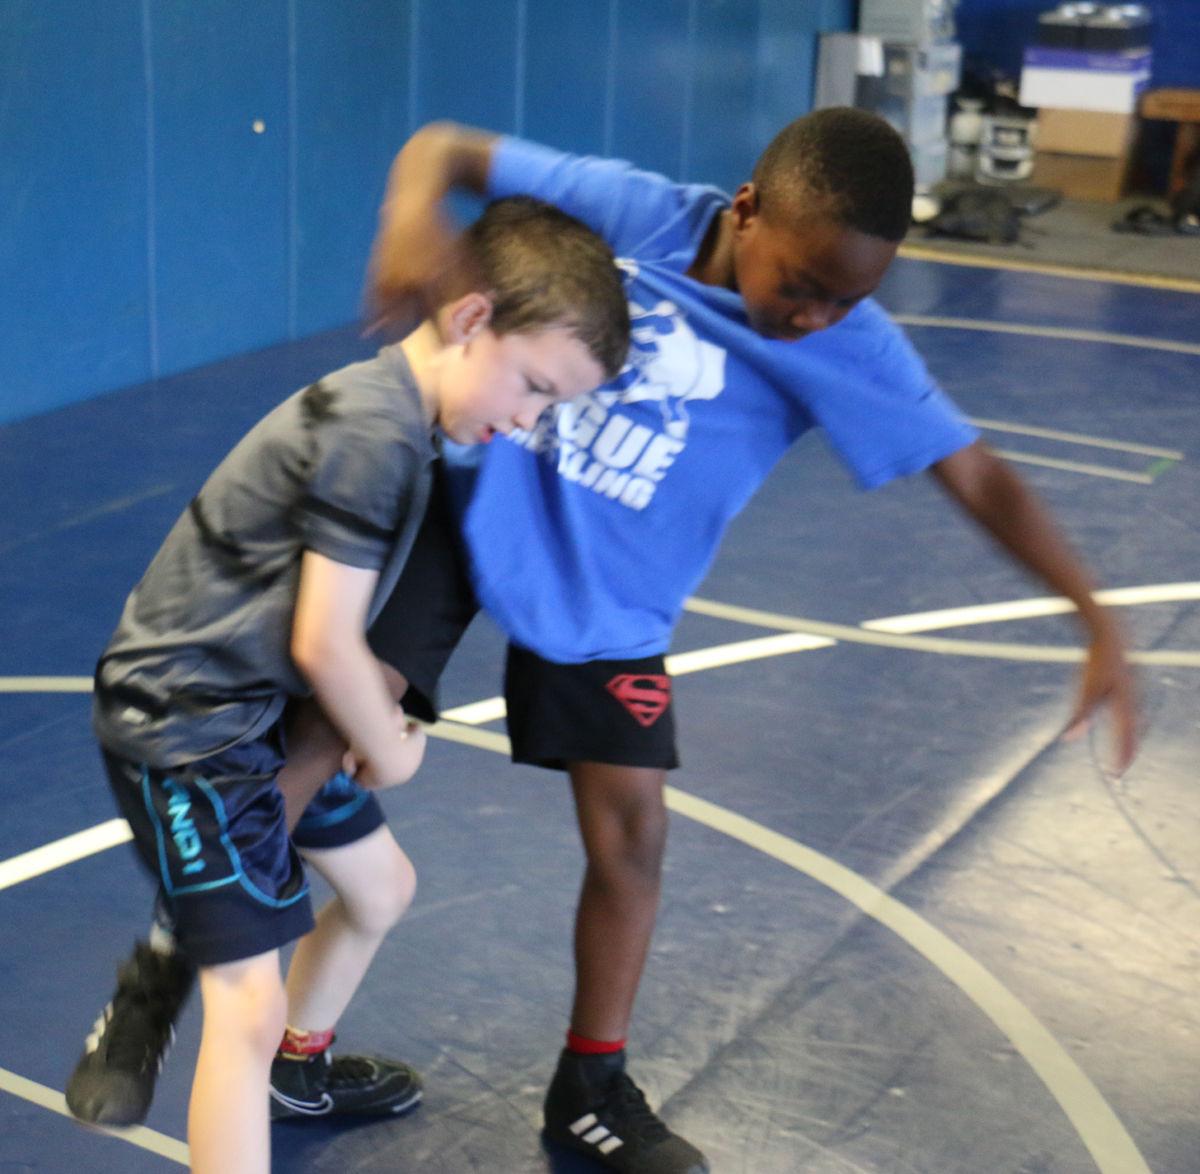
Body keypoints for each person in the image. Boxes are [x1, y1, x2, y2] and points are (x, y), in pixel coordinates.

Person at [79, 108, 1139, 1174]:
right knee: (310, 747)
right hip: (480, 507)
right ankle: (167, 972)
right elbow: (442, 149)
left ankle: (589, 1085)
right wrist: (410, 224)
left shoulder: (848, 344)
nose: (815, 315)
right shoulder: (644, 211)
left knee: (632, 842)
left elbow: (978, 471)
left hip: (612, 598)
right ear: (747, 210)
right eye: (803, 282)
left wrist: (1090, 611)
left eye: (844, 300)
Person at [65, 196, 629, 1174]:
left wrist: (367, 704)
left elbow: (321, 624)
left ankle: (296, 1073)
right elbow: (327, 642)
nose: (529, 419)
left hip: (250, 706)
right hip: (187, 726)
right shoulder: (375, 432)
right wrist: (394, 740)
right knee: (244, 1003)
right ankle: (197, 1015)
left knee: (381, 887)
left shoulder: (399, 419)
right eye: (535, 387)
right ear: (469, 321)